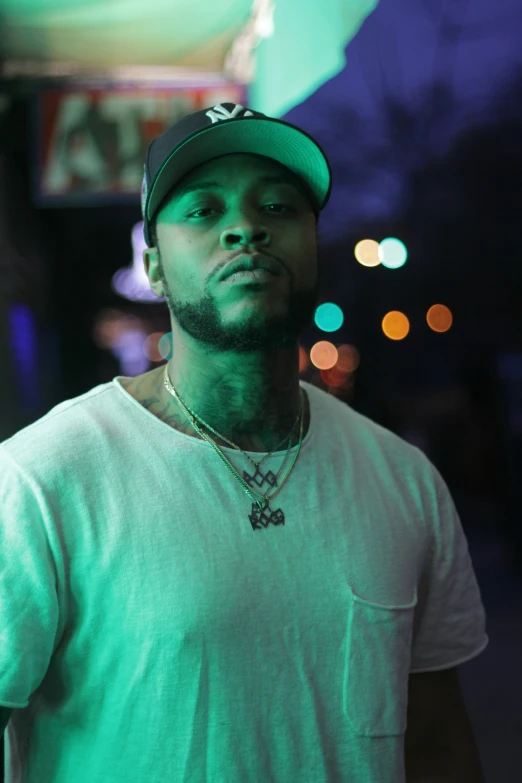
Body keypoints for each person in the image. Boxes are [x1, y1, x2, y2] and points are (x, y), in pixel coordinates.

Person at [0, 103, 488, 782]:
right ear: (153, 263)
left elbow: (437, 743)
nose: (246, 228)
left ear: (311, 242)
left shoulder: (404, 478)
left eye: (279, 207)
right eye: (203, 210)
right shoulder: (44, 478)